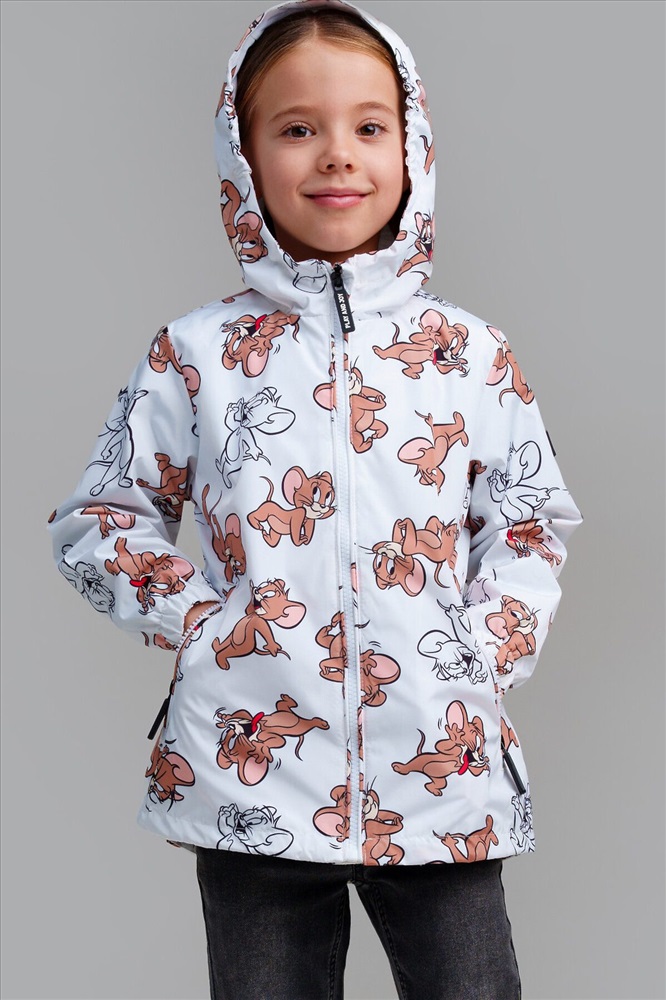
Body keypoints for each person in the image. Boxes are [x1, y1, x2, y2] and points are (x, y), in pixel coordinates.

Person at [48, 1, 582, 997]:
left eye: (369, 126)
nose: (337, 153)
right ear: (243, 158)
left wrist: (481, 650)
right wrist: (205, 630)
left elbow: (528, 523)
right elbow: (100, 519)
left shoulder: (469, 354)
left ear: (412, 149)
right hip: (251, 766)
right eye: (298, 128)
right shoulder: (197, 354)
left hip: (438, 756)